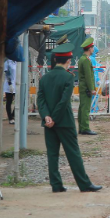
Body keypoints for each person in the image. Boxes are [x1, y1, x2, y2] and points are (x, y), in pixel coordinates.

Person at [37, 42, 102, 193]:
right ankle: (84, 184)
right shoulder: (68, 77)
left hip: (48, 124)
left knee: (52, 154)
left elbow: (40, 100)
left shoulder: (44, 78)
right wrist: (54, 118)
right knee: (73, 153)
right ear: (68, 61)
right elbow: (64, 101)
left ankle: (56, 185)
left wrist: (47, 117)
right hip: (64, 122)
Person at [77, 37, 98, 136]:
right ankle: (85, 127)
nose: (93, 49)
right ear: (90, 48)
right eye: (93, 47)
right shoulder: (85, 60)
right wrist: (92, 89)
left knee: (82, 107)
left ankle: (82, 127)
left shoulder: (82, 59)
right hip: (86, 88)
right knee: (85, 108)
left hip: (83, 87)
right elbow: (88, 76)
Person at [4, 58, 16, 125]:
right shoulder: (7, 63)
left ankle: (13, 114)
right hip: (9, 85)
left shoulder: (17, 62)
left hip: (16, 85)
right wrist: (10, 84)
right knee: (9, 101)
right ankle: (10, 118)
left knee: (18, 100)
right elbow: (7, 73)